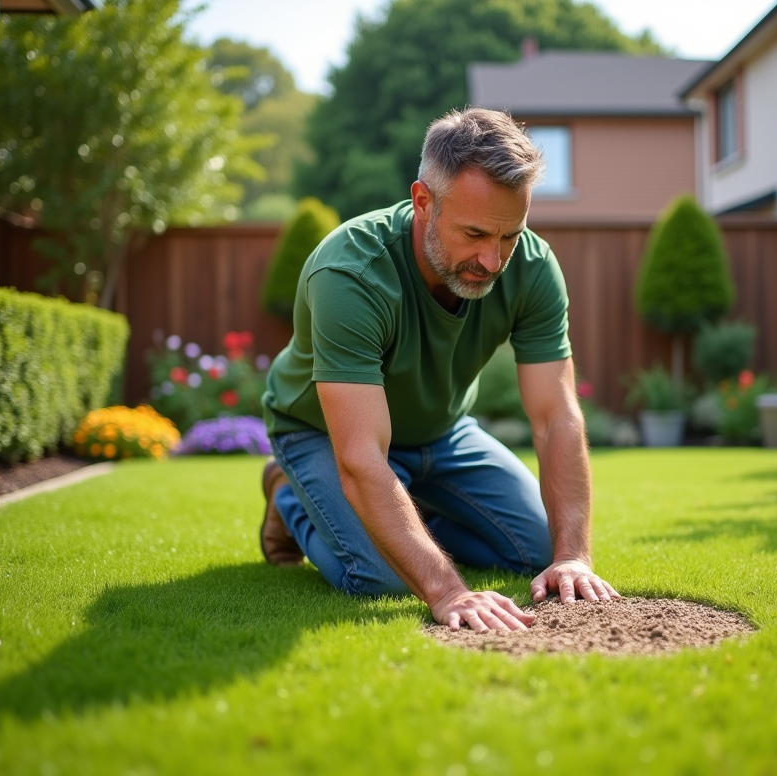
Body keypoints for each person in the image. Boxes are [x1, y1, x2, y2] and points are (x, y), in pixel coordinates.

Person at [259, 107, 620, 632]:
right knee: (380, 577)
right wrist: (447, 590)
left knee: (541, 548)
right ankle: (288, 494)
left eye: (508, 236)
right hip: (323, 433)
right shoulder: (349, 274)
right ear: (423, 201)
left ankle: (406, 510)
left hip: (444, 432)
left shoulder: (534, 267)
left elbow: (555, 416)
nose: (493, 260)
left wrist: (573, 556)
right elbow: (360, 455)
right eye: (475, 233)